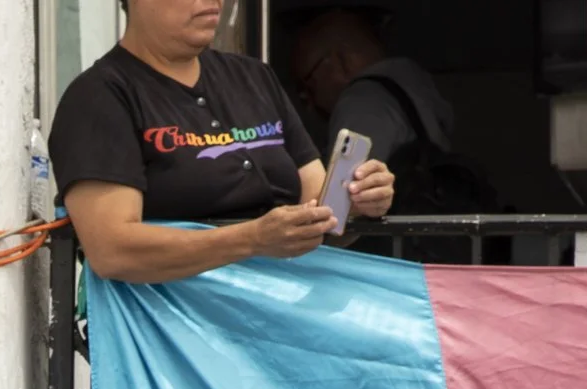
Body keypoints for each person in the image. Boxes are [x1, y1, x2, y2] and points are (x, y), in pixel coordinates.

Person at [51, 0, 395, 282]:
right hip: (181, 337)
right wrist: (253, 239)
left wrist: (358, 202)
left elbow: (324, 222)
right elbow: (113, 252)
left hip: (290, 312)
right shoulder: (101, 96)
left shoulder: (254, 77)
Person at [289, 7, 492, 215]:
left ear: (342, 62)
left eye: (308, 84)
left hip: (387, 245)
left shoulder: (362, 101)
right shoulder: (415, 85)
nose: (308, 102)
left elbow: (340, 205)